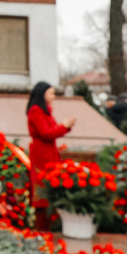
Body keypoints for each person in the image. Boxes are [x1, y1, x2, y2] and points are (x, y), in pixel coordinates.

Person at [26, 81, 76, 231]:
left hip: (48, 153)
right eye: (51, 93)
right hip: (42, 155)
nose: (54, 96)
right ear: (43, 94)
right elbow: (46, 133)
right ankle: (42, 230)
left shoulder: (44, 111)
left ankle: (46, 229)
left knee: (48, 192)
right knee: (42, 193)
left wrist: (64, 126)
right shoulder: (36, 111)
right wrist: (64, 126)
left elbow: (51, 131)